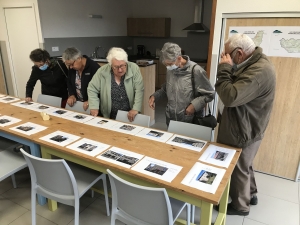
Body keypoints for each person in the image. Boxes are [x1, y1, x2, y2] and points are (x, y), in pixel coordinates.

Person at [215, 34, 276, 216]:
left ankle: (241, 206)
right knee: (246, 163)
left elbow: (230, 96)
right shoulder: (252, 63)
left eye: (227, 55)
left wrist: (224, 69)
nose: (224, 58)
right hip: (248, 124)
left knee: (239, 167)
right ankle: (251, 194)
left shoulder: (259, 71)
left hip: (245, 128)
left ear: (239, 53)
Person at [148, 42, 214, 126]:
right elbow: (166, 89)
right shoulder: (170, 70)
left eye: (170, 64)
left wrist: (194, 105)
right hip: (171, 118)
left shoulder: (196, 71)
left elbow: (209, 94)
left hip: (190, 120)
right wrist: (154, 96)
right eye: (166, 65)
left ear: (179, 58)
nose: (167, 67)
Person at [87, 47, 144, 121]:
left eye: (122, 66)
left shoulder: (134, 68)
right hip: (109, 116)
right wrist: (94, 106)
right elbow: (92, 88)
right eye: (116, 67)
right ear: (110, 65)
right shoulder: (102, 71)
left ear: (126, 62)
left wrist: (136, 108)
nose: (120, 70)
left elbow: (139, 90)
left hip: (130, 115)